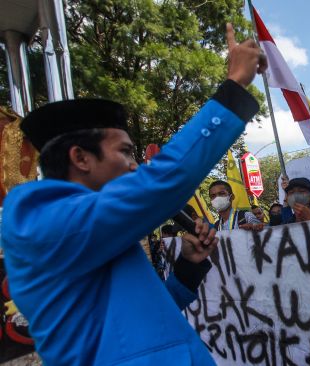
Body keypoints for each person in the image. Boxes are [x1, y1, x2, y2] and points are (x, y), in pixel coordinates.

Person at [1, 23, 266, 365]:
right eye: (124, 152)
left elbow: (143, 327)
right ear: (80, 157)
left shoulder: (90, 229)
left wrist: (187, 267)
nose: (134, 166)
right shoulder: (42, 222)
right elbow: (159, 183)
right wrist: (234, 87)